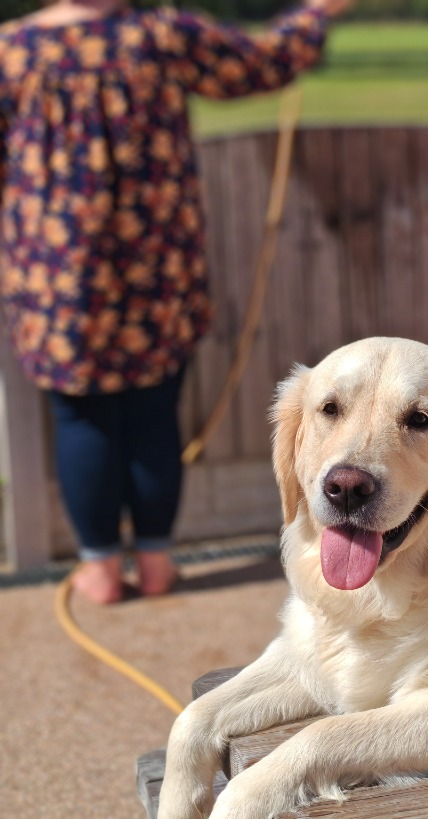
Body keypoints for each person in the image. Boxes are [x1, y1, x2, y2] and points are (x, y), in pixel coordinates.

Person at [0, 0, 351, 604]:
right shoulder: (160, 33)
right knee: (153, 414)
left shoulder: (11, 49)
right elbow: (261, 63)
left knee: (81, 417)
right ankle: (158, 562)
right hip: (157, 263)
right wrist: (315, 13)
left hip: (58, 272)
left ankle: (100, 570)